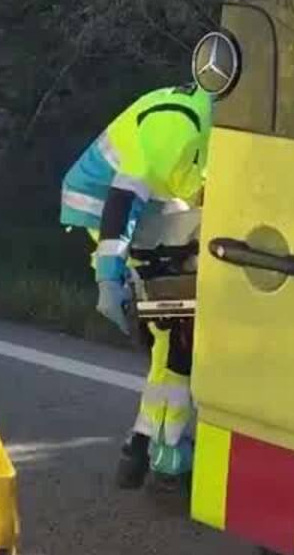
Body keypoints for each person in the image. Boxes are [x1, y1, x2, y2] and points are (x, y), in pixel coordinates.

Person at [59, 83, 211, 491]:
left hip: (156, 208)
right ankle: (165, 452)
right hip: (102, 204)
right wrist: (109, 274)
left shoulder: (216, 122)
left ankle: (143, 444)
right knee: (176, 325)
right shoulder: (180, 124)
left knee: (174, 326)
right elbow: (122, 201)